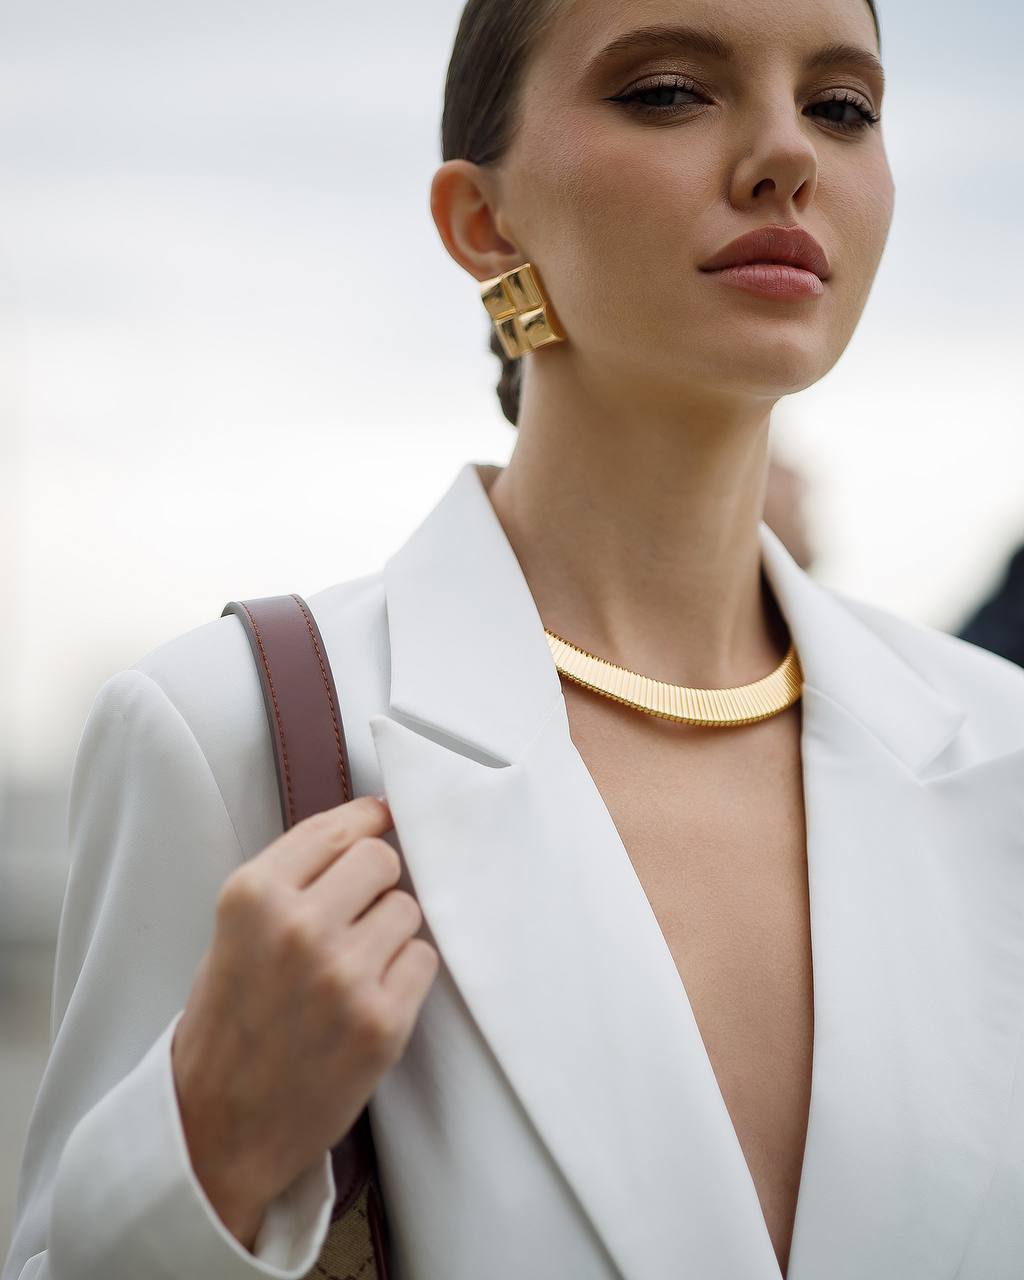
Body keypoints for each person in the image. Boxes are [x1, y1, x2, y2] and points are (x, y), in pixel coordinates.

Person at [5, 2, 1024, 1279]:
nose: (787, 155)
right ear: (481, 223)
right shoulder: (233, 729)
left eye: (843, 106)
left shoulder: (999, 744)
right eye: (667, 90)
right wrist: (199, 1151)